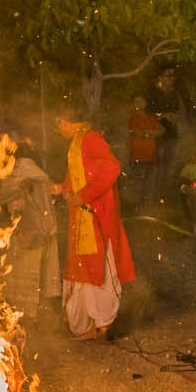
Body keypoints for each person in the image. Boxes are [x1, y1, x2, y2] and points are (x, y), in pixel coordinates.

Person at [53, 109, 135, 338]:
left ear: (68, 122)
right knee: (86, 271)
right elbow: (79, 176)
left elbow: (111, 168)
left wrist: (83, 196)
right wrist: (63, 189)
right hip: (84, 218)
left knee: (100, 272)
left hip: (97, 218)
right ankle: (89, 323)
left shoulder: (90, 139)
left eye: (58, 124)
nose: (58, 130)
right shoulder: (77, 143)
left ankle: (102, 325)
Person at [0, 138, 59, 321]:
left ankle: (27, 316)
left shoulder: (18, 172)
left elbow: (8, 200)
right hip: (46, 230)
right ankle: (36, 315)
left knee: (26, 275)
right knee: (41, 274)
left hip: (29, 230)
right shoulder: (41, 174)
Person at [124, 93, 164, 211]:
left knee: (150, 184)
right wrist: (151, 132)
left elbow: (161, 130)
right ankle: (137, 209)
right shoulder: (132, 118)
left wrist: (148, 133)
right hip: (137, 156)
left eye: (141, 101)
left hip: (151, 155)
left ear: (146, 103)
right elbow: (137, 132)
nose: (139, 104)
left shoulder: (151, 117)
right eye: (136, 101)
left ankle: (147, 209)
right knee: (138, 184)